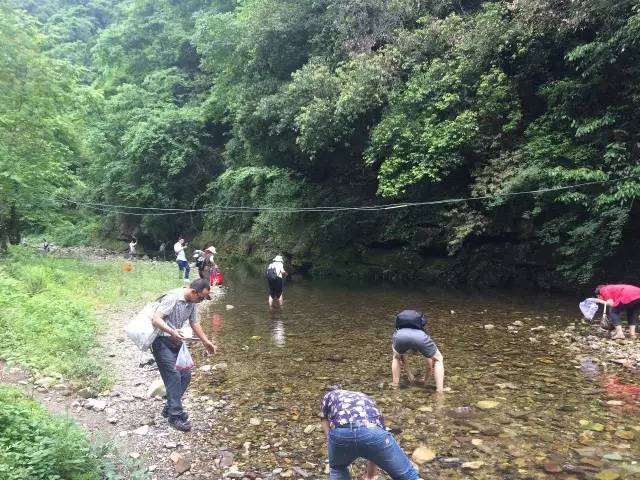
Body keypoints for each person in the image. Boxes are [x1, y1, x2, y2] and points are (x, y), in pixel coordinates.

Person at [150, 278, 217, 431]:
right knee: (173, 375)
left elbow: (195, 323)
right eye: (201, 297)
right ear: (193, 292)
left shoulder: (192, 304)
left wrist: (206, 342)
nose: (201, 301)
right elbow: (156, 320)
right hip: (161, 342)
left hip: (177, 342)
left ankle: (170, 407)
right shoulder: (172, 298)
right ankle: (175, 416)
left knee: (185, 375)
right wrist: (171, 331)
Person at [320, 386, 419, 480]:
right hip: (372, 431)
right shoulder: (364, 396)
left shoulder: (328, 395)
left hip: (341, 432)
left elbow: (324, 419)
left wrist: (331, 441)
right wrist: (370, 475)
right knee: (409, 475)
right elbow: (378, 439)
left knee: (338, 468)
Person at [391, 309, 444, 392]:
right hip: (419, 338)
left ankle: (395, 386)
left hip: (399, 337)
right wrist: (425, 381)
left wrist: (410, 376)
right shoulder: (422, 334)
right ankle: (440, 391)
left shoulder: (399, 331)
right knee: (438, 359)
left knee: (396, 357)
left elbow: (402, 358)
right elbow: (429, 366)